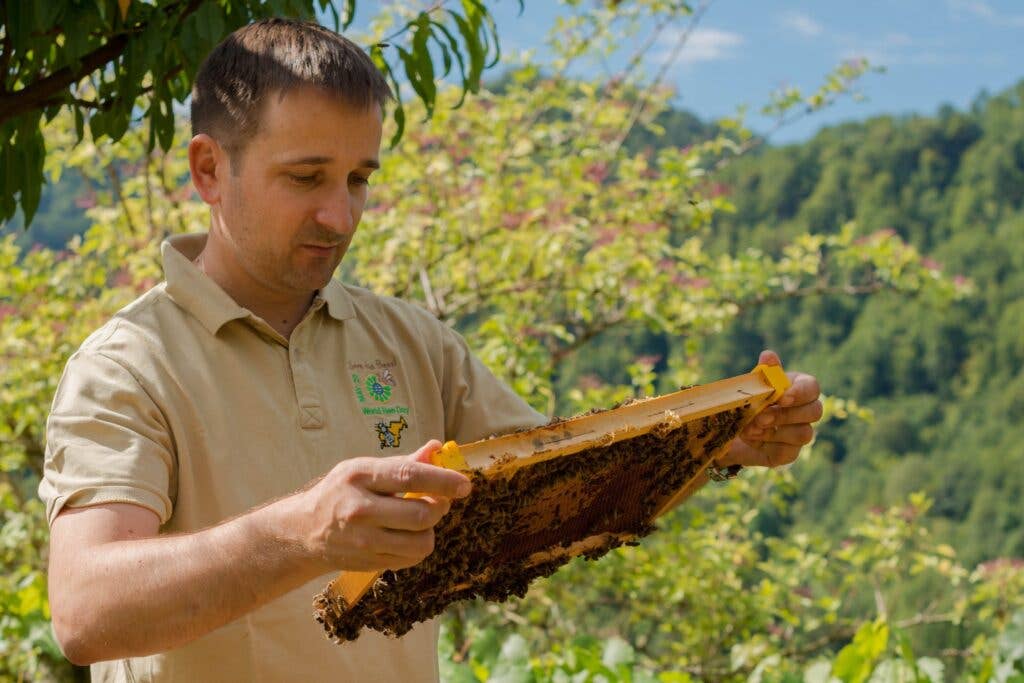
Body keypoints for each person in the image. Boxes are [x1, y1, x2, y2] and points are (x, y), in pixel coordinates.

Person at [38, 17, 822, 683]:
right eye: (307, 177)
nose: (340, 216)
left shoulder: (411, 342)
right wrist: (299, 532)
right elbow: (85, 609)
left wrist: (717, 446)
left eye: (359, 178)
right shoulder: (126, 365)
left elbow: (567, 500)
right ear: (210, 168)